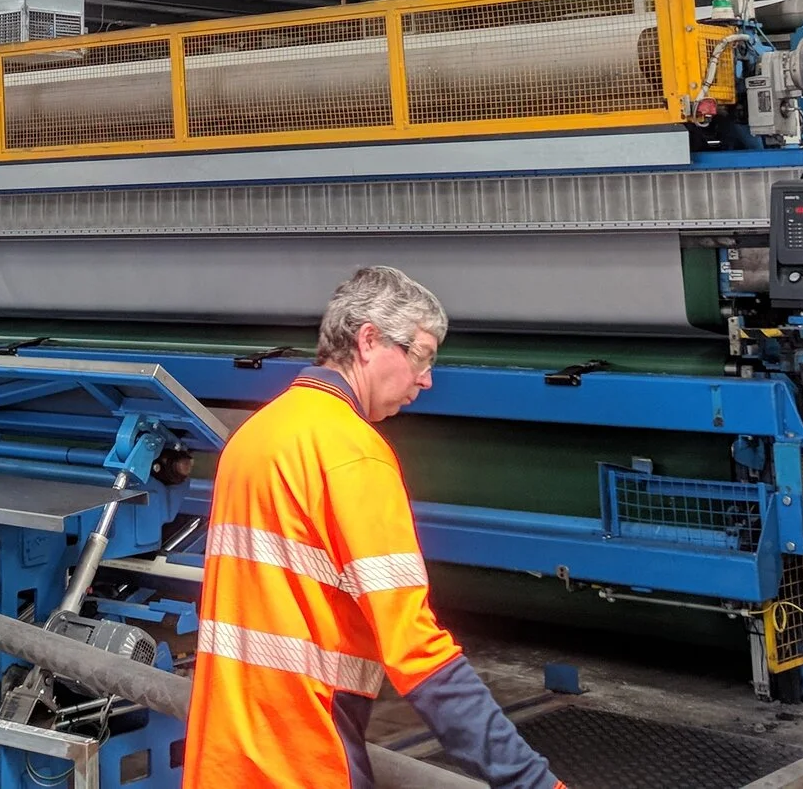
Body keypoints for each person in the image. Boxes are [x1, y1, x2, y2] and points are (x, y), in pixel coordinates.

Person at [186, 265, 562, 789]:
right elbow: (415, 648)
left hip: (224, 758)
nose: (426, 380)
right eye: (422, 357)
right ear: (368, 341)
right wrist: (530, 781)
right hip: (306, 760)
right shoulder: (354, 455)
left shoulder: (255, 436)